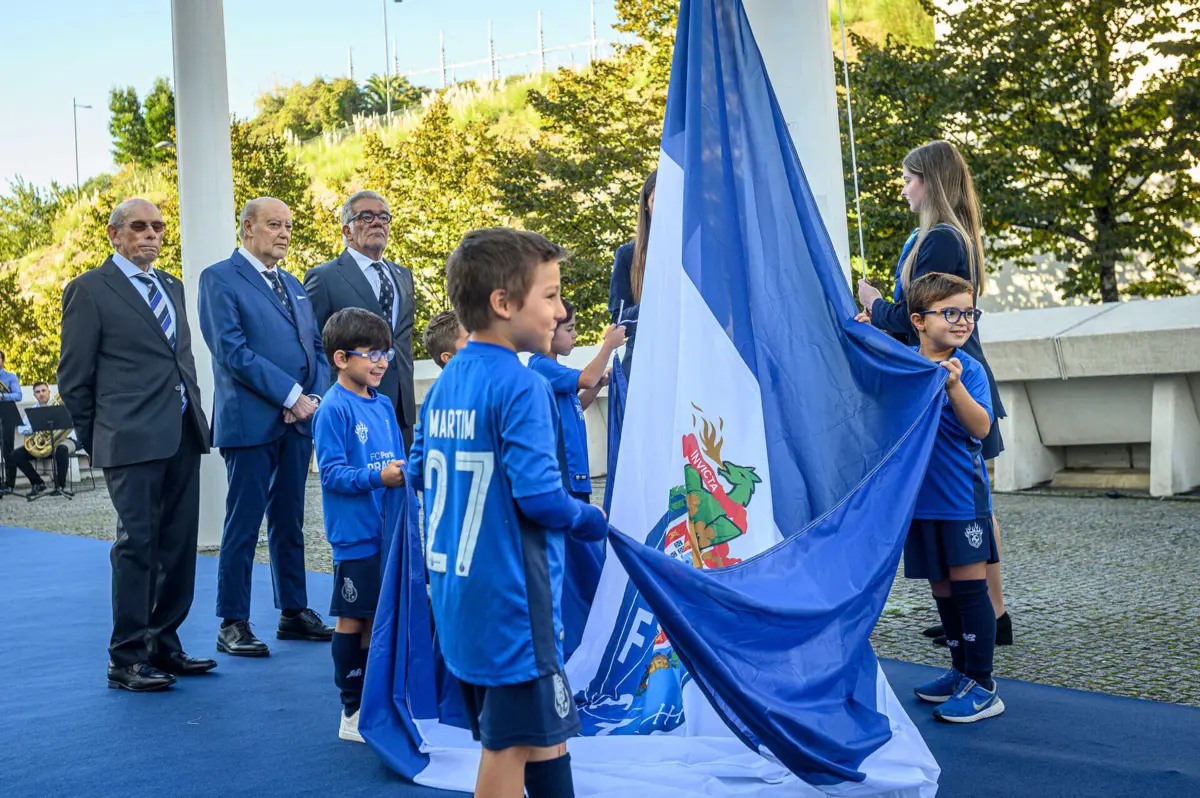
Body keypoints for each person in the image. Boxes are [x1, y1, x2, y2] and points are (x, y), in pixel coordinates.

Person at [408, 228, 607, 798]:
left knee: (546, 733)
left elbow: (420, 470)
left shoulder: (446, 382)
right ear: (503, 304)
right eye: (550, 295)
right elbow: (541, 499)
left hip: (460, 593)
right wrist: (589, 521)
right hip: (515, 603)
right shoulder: (522, 386)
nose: (561, 310)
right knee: (508, 747)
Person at [856, 140, 1011, 647]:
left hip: (958, 381)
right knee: (973, 506)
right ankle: (980, 616)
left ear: (930, 181)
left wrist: (876, 306)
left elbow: (921, 313)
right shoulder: (943, 235)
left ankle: (986, 616)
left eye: (908, 179)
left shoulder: (942, 239)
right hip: (945, 377)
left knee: (974, 508)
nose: (903, 189)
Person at [58, 198, 214, 691]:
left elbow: (178, 362)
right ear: (115, 235)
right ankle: (125, 658)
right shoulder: (89, 290)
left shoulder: (172, 287)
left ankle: (164, 645)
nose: (152, 234)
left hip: (183, 435)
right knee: (137, 548)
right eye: (140, 227)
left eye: (159, 227)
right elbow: (74, 378)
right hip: (129, 441)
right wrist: (98, 437)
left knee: (178, 546)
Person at [199, 197, 333, 658]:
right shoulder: (218, 278)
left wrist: (312, 397)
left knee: (289, 519)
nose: (284, 233)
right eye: (274, 225)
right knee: (243, 522)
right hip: (251, 422)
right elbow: (231, 351)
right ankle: (232, 621)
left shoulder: (294, 283)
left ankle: (293, 611)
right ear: (247, 229)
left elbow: (315, 346)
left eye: (289, 226)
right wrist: (291, 396)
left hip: (298, 422)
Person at [897, 272, 1003, 723]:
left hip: (963, 499)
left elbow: (981, 428)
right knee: (941, 588)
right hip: (921, 501)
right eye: (952, 313)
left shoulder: (969, 369)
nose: (963, 322)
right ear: (919, 320)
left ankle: (983, 684)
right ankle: (959, 671)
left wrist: (955, 386)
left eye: (969, 313)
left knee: (968, 588)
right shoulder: (905, 362)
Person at [313, 308, 407, 744]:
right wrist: (378, 477)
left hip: (388, 531)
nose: (381, 362)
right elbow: (331, 473)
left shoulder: (384, 404)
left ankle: (374, 699)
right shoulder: (332, 409)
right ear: (340, 358)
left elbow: (397, 464)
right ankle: (350, 709)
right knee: (352, 617)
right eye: (370, 353)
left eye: (385, 352)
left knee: (376, 618)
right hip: (355, 535)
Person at [528, 299, 626, 658]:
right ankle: (573, 641)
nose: (574, 335)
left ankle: (585, 634)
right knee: (572, 563)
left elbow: (578, 400)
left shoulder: (555, 372)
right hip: (564, 482)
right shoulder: (540, 366)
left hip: (576, 480)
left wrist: (598, 386)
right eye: (568, 329)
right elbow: (583, 377)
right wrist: (607, 347)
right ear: (547, 332)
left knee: (581, 558)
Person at [304, 191, 416, 450]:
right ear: (347, 230)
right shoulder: (324, 277)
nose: (378, 222)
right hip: (352, 406)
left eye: (383, 217)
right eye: (366, 216)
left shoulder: (403, 275)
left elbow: (402, 338)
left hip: (401, 409)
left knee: (403, 485)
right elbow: (313, 343)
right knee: (360, 484)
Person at [607, 170, 656, 378]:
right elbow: (617, 319)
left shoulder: (694, 253)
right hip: (643, 364)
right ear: (646, 204)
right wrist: (656, 307)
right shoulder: (628, 254)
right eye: (657, 200)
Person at [5, 381, 76, 497]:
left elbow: (68, 423)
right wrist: (35, 426)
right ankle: (38, 483)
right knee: (14, 455)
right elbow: (21, 429)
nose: (41, 394)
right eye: (38, 392)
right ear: (34, 395)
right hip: (43, 444)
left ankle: (60, 485)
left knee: (62, 449)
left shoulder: (58, 406)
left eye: (43, 391)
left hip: (64, 440)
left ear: (49, 392)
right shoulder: (32, 411)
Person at [0, 350, 22, 493]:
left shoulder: (10, 377)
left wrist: (2, 396)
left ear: (2, 360)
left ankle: (9, 484)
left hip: (6, 415)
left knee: (8, 449)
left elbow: (18, 395)